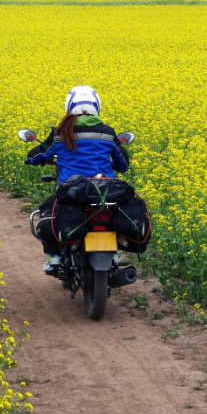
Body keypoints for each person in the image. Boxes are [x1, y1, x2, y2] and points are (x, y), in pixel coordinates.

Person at [26, 85, 130, 274]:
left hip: (72, 191)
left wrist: (34, 159)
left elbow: (36, 156)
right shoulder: (107, 132)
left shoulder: (60, 133)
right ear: (97, 106)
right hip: (105, 189)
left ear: (69, 106)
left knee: (47, 211)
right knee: (117, 210)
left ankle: (55, 256)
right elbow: (123, 164)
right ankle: (114, 253)